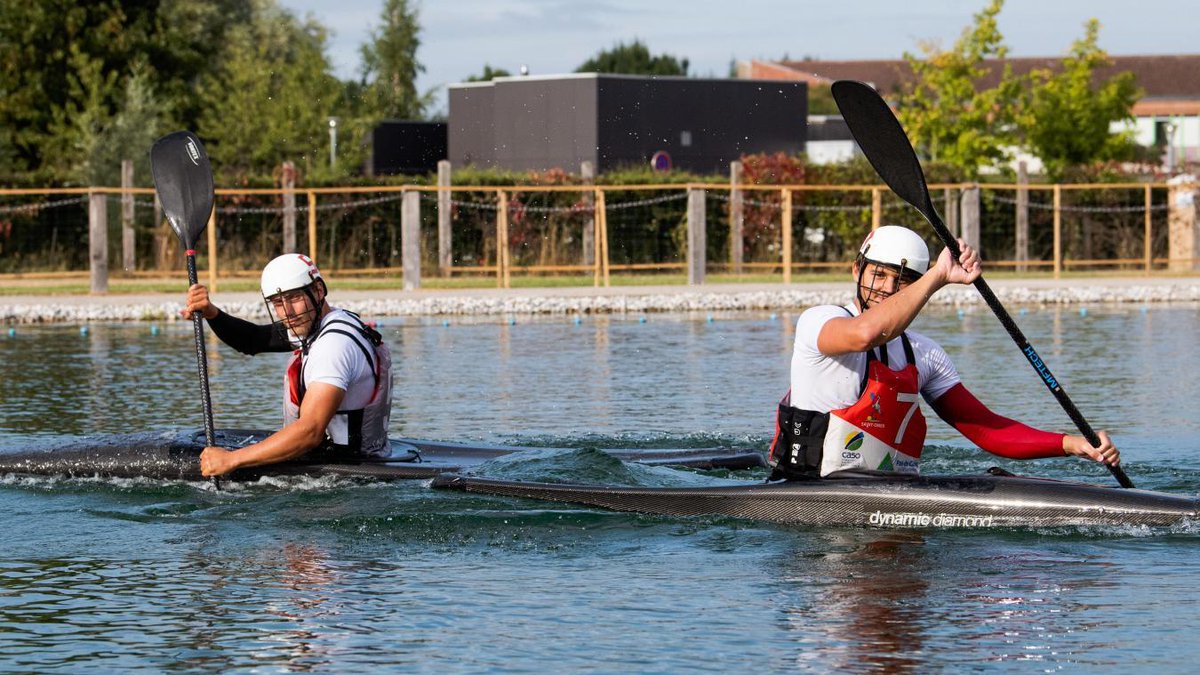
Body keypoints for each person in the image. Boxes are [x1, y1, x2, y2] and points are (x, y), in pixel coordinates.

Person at [769, 225, 1119, 480]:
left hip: (889, 489)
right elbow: (866, 334)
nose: (887, 288)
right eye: (879, 274)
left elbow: (987, 429)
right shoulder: (819, 321)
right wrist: (938, 275)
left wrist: (1073, 444)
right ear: (856, 270)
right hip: (810, 486)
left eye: (902, 279)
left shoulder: (924, 353)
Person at [181, 253, 393, 477]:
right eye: (278, 302)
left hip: (346, 478)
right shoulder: (327, 322)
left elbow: (309, 432)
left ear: (319, 290)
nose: (287, 312)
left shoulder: (333, 347)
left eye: (294, 298)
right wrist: (212, 313)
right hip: (365, 458)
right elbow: (253, 340)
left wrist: (232, 460)